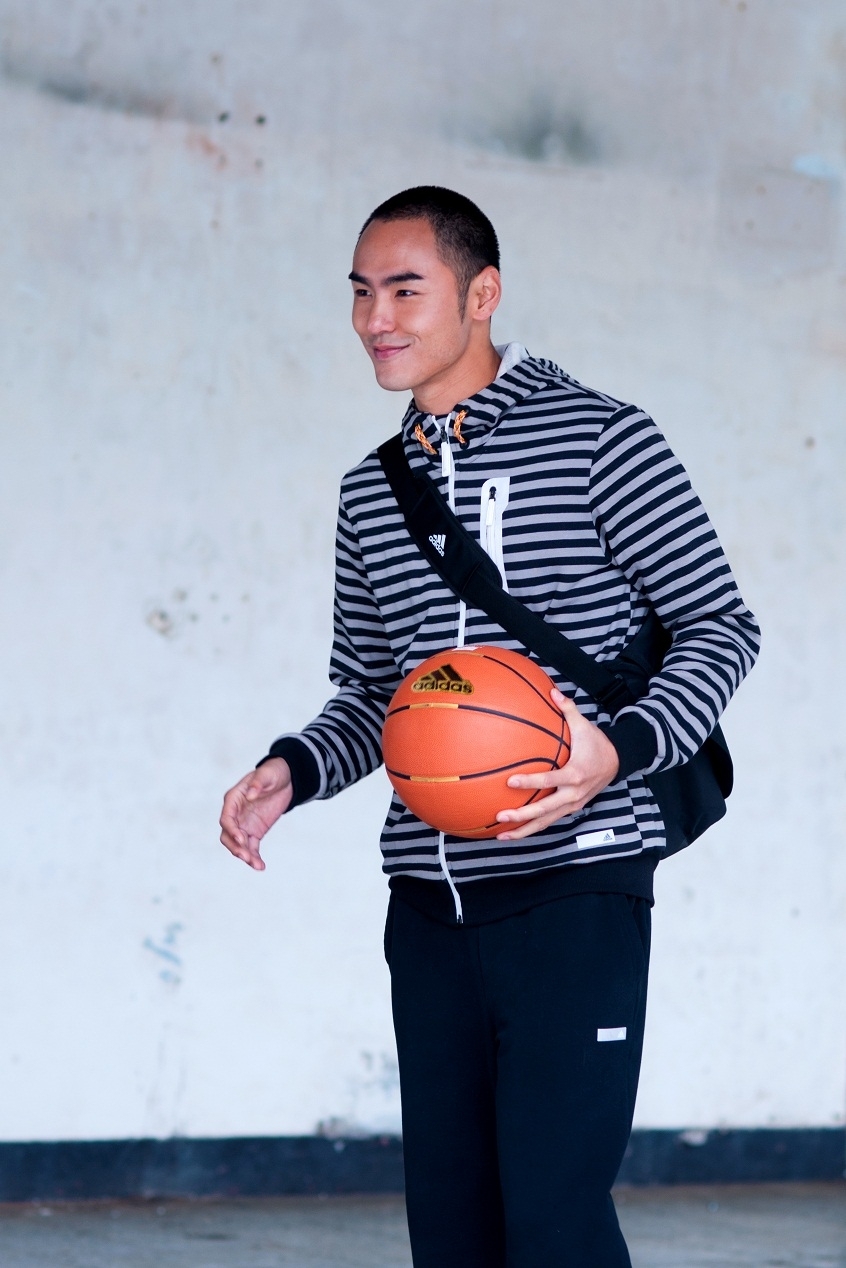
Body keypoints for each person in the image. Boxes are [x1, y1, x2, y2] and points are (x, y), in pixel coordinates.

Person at [220, 186, 760, 1267]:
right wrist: (295, 767)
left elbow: (721, 625)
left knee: (554, 1223)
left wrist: (618, 749)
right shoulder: (371, 493)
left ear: (482, 294)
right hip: (428, 905)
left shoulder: (605, 439)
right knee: (453, 1231)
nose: (376, 318)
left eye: (405, 290)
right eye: (361, 292)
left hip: (576, 887)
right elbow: (373, 692)